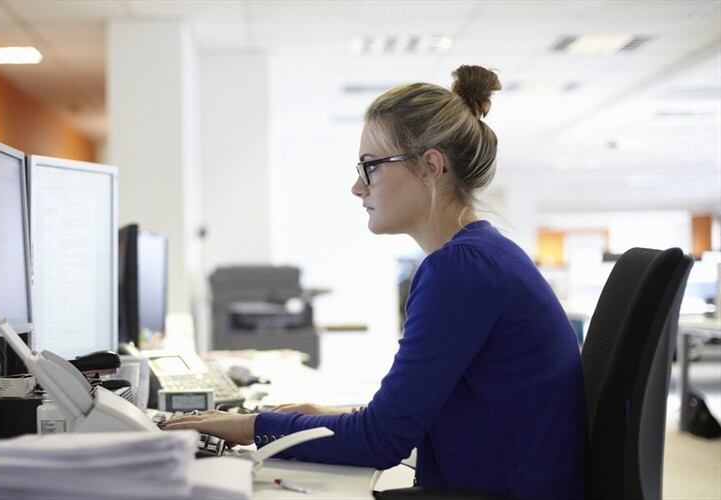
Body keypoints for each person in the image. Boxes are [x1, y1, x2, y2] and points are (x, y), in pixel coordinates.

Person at [163, 65, 586, 499]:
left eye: (371, 167)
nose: (357, 187)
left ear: (430, 167)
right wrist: (327, 417)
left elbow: (380, 440)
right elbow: (408, 417)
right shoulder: (484, 255)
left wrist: (249, 425)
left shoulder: (460, 269)